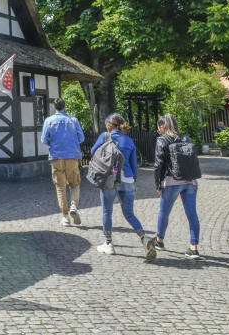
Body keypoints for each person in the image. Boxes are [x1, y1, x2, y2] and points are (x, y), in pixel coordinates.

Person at [89, 113, 154, 260]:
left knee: (107, 211)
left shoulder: (105, 136)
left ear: (110, 125)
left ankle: (109, 244)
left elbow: (92, 152)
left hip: (109, 179)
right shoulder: (129, 140)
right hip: (128, 179)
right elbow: (133, 164)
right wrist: (134, 181)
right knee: (129, 213)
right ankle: (144, 238)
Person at [148, 113, 201, 260]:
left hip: (172, 182)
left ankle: (159, 241)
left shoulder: (162, 140)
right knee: (192, 214)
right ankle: (193, 248)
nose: (158, 129)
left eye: (159, 126)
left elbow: (158, 164)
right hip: (190, 181)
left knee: (164, 212)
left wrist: (158, 185)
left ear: (163, 126)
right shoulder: (186, 138)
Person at [41, 97, 85, 226]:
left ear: (54, 108)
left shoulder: (48, 121)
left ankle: (65, 217)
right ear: (65, 107)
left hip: (56, 156)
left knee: (60, 188)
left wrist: (54, 144)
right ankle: (74, 207)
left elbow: (44, 140)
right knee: (75, 183)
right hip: (72, 155)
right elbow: (81, 138)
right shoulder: (73, 120)